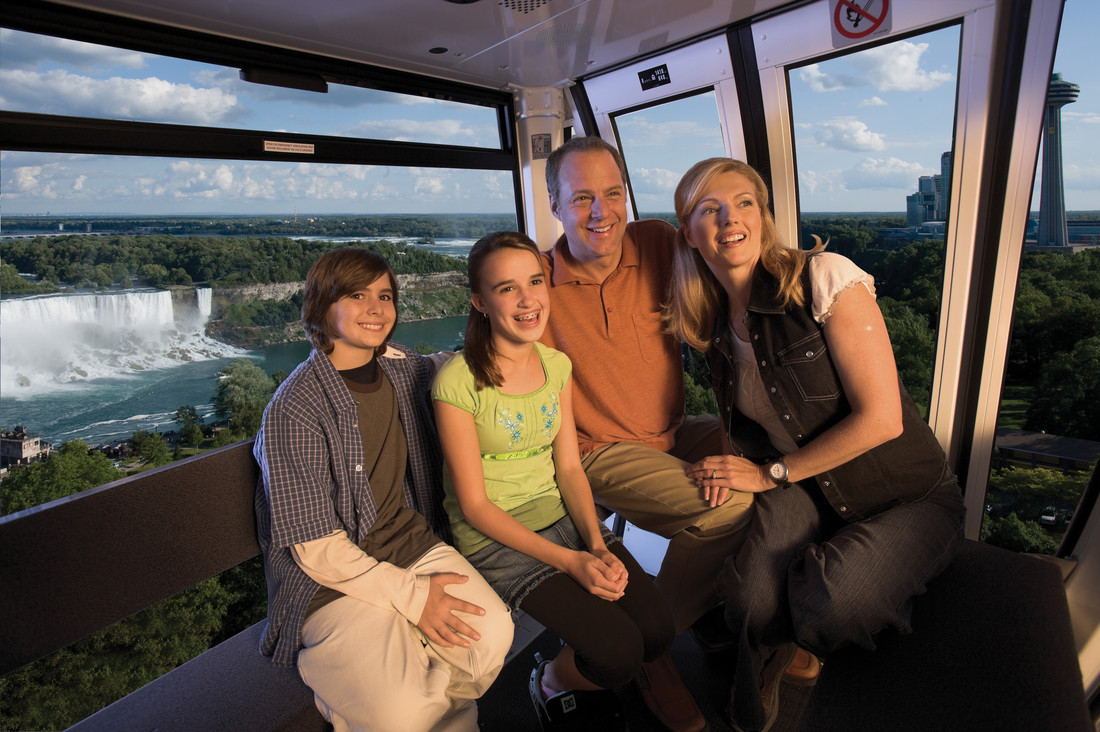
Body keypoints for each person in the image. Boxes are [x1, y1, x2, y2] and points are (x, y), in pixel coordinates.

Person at [664, 157, 966, 732]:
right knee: (745, 604)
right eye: (710, 209)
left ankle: (828, 606)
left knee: (834, 605)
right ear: (688, 231)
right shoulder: (711, 320)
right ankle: (784, 636)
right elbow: (742, 421)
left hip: (903, 494)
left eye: (744, 203)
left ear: (764, 216)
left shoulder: (823, 277)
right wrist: (732, 470)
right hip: (803, 488)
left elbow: (882, 420)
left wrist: (769, 476)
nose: (731, 219)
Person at [539, 136, 753, 730]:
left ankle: (692, 610)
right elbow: (492, 356)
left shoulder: (658, 241)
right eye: (582, 198)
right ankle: (649, 651)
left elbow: (726, 265)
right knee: (725, 509)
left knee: (771, 465)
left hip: (672, 431)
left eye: (612, 194)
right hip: (596, 451)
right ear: (555, 204)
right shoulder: (537, 281)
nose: (602, 212)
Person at [253, 247, 513, 732]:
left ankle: (418, 689)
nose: (376, 308)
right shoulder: (294, 409)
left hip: (407, 543)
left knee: (491, 637)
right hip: (329, 582)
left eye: (386, 296)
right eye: (357, 295)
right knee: (398, 715)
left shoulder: (399, 367)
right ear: (322, 305)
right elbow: (316, 550)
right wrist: (413, 600)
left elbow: (444, 363)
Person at [433, 232, 674, 731]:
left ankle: (577, 649)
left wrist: (596, 544)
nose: (527, 300)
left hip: (563, 519)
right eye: (506, 288)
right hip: (496, 538)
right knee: (619, 656)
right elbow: (475, 507)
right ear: (479, 302)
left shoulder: (556, 365)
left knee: (657, 630)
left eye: (535, 282)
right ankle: (551, 681)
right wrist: (573, 561)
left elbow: (568, 468)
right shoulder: (457, 382)